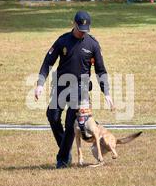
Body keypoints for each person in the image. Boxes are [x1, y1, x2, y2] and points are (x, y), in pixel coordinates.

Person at [34, 11, 113, 169]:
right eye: (80, 28)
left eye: (85, 29)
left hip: (81, 88)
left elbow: (100, 70)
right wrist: (40, 83)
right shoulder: (63, 41)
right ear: (74, 24)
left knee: (71, 122)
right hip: (62, 85)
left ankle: (62, 159)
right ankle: (66, 148)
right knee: (52, 116)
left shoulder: (93, 44)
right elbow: (47, 62)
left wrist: (107, 93)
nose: (82, 32)